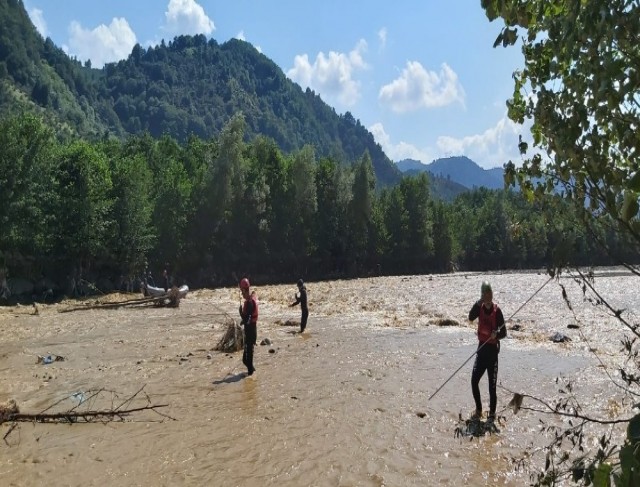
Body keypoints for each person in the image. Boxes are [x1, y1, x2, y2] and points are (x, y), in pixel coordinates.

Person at [468, 281, 506, 423]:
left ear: (492, 294)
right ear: (482, 295)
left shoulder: (498, 311)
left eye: (489, 293)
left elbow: (504, 332)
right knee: (474, 381)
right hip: (481, 351)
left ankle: (492, 414)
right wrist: (477, 304)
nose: (488, 296)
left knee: (492, 386)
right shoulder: (479, 307)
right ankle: (479, 409)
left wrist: (497, 335)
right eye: (485, 294)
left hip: (492, 354)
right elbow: (471, 317)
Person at [239, 277, 258, 376]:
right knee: (246, 360)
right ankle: (252, 373)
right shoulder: (249, 301)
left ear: (245, 290)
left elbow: (248, 320)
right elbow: (247, 319)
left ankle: (251, 378)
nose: (242, 294)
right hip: (249, 332)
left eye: (242, 291)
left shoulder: (250, 303)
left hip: (250, 334)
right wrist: (243, 317)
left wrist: (241, 314)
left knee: (246, 360)